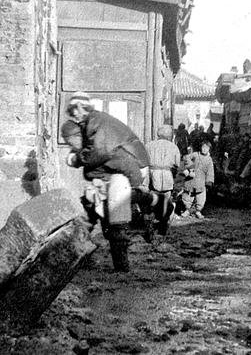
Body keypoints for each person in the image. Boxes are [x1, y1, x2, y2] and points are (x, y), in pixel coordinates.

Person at [61, 92, 153, 272]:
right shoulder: (93, 122)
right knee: (91, 210)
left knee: (115, 216)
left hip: (127, 169)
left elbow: (100, 152)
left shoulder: (95, 123)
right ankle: (81, 256)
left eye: (75, 111)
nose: (75, 116)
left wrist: (76, 159)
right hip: (122, 169)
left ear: (81, 107)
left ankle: (121, 267)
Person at [145, 125, 180, 237]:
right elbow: (177, 165)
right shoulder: (174, 147)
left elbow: (144, 162)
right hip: (167, 176)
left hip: (152, 176)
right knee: (166, 201)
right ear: (169, 135)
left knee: (152, 201)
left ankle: (150, 226)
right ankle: (163, 225)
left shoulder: (149, 145)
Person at [181, 141, 214, 218]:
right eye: (203, 147)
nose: (204, 149)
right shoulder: (195, 154)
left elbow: (210, 171)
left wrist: (209, 181)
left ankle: (198, 211)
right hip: (191, 179)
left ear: (209, 149)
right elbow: (186, 157)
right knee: (188, 195)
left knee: (201, 197)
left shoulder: (209, 159)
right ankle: (187, 210)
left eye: (207, 148)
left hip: (201, 180)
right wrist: (190, 168)